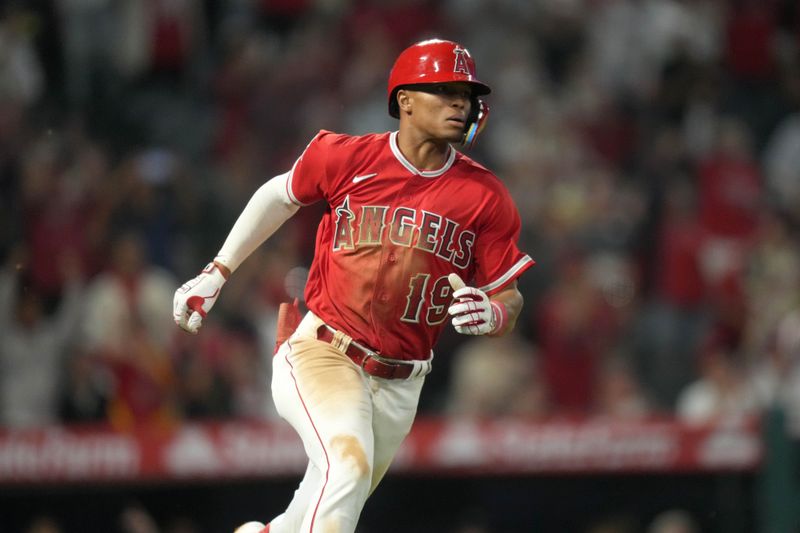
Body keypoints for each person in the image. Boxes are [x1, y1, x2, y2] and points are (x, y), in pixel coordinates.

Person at [173, 38, 534, 533]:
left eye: (466, 95)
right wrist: (218, 270)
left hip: (402, 384)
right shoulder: (347, 156)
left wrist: (493, 313)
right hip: (326, 350)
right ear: (404, 100)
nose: (460, 104)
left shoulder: (486, 197)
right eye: (445, 91)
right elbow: (278, 196)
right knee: (348, 467)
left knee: (321, 502)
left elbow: (508, 298)